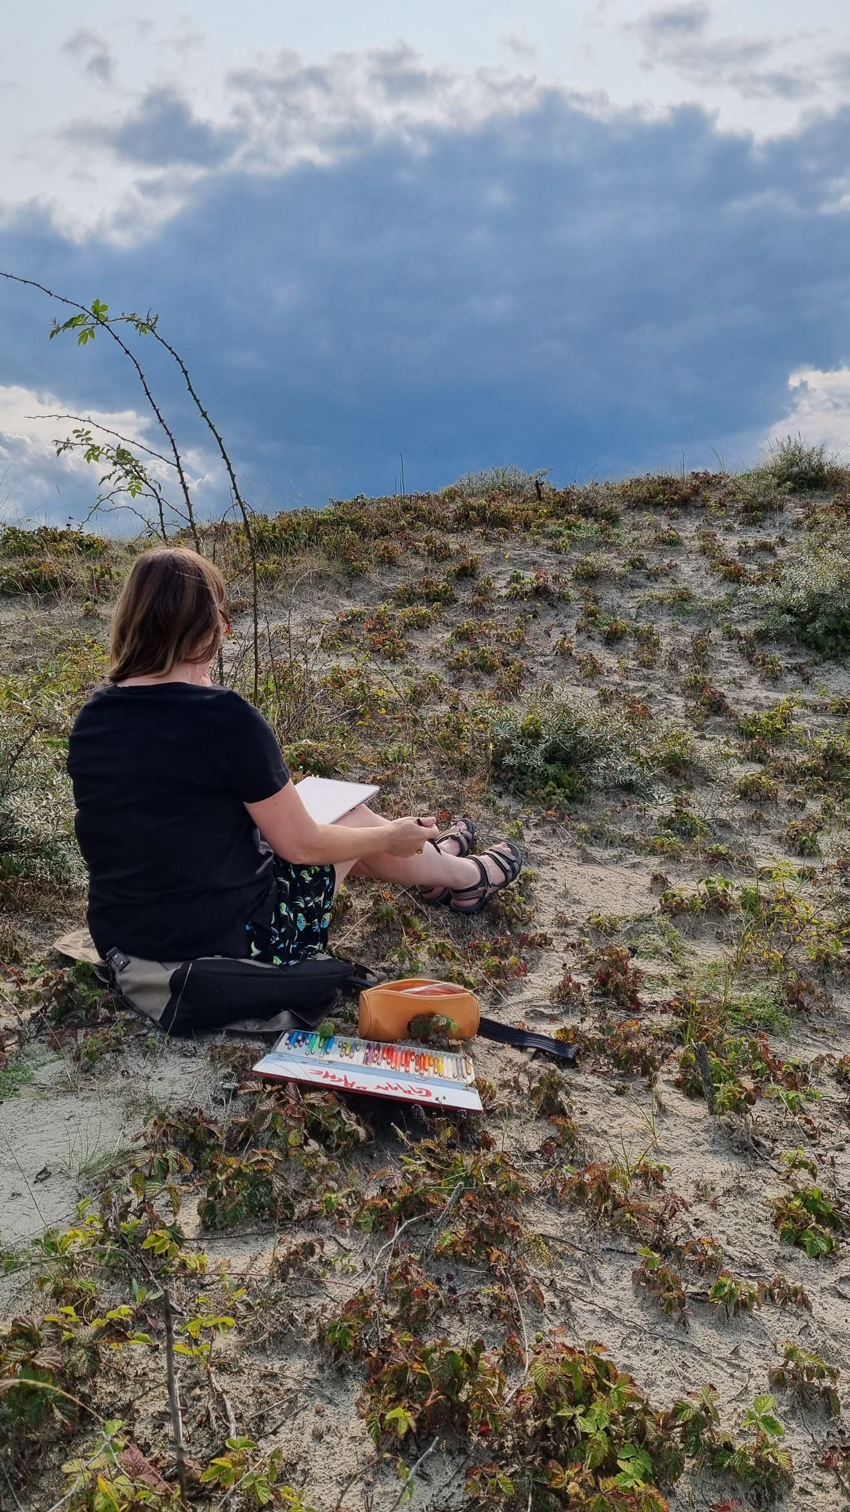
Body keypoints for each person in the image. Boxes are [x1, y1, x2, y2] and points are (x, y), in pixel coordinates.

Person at [67, 547, 522, 968]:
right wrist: (390, 836)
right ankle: (465, 876)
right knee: (355, 823)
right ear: (204, 628)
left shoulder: (94, 715)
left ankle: (437, 868)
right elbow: (300, 846)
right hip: (229, 944)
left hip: (124, 936)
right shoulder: (223, 717)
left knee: (342, 828)